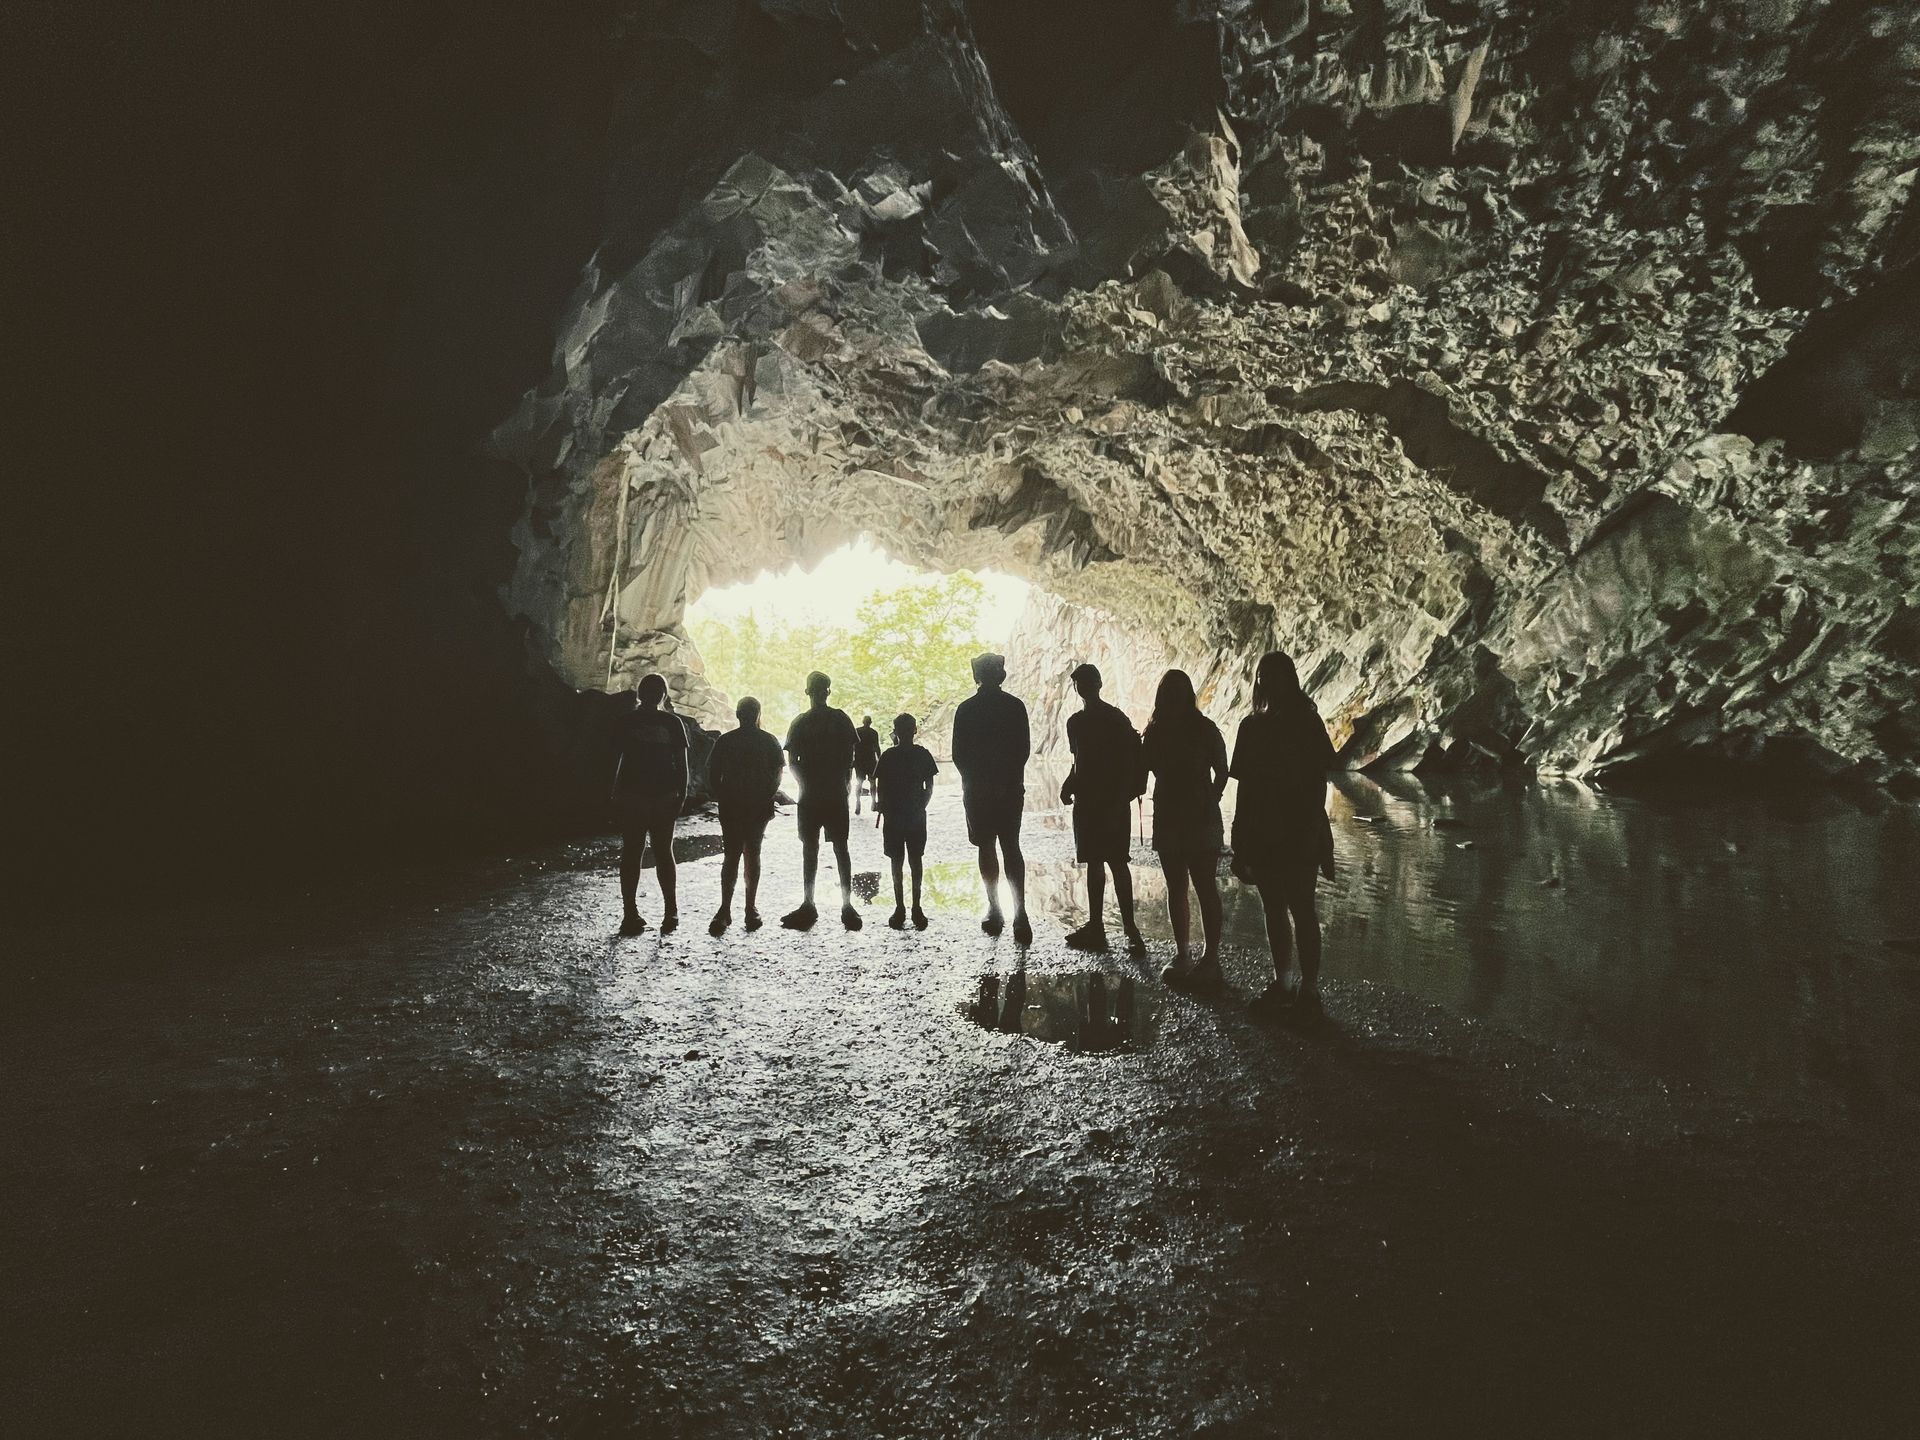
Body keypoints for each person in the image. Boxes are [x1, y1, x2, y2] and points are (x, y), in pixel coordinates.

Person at [1230, 651, 1337, 1020]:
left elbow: (1319, 780)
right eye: (1262, 676)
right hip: (1270, 830)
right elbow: (1244, 788)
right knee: (1279, 907)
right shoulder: (1255, 727)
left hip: (1292, 828)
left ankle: (1303, 988)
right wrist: (1238, 835)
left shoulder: (1303, 723)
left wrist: (1310, 826)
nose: (1266, 682)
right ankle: (1290, 984)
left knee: (1297, 908)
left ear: (1289, 680)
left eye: (1272, 676)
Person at [1141, 668, 1229, 987]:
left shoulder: (1197, 729)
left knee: (1198, 886)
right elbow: (1221, 770)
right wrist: (1212, 796)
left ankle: (1206, 958)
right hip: (1177, 815)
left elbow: (1222, 770)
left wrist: (1212, 799)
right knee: (1182, 885)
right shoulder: (1166, 730)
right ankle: (1187, 954)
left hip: (1193, 815)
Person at [1060, 662, 1146, 955]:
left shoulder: (1107, 720)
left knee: (1112, 862)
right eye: (1079, 683)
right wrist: (1068, 783)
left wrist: (1119, 798)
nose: (1082, 687)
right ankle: (1111, 928)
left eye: (1084, 682)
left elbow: (1127, 763)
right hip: (1097, 801)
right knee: (1103, 862)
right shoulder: (1094, 720)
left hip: (1107, 801)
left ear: (1096, 684)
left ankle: (1123, 928)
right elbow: (1079, 762)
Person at [950, 653, 1033, 944]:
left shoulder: (966, 710)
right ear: (1000, 675)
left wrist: (978, 783)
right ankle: (1020, 914)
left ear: (977, 677)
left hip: (978, 791)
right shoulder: (1014, 706)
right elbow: (1022, 750)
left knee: (986, 847)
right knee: (1011, 846)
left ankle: (995, 908)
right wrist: (1005, 781)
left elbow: (959, 755)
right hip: (1009, 788)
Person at [782, 670, 863, 931]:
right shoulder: (840, 720)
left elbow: (792, 761)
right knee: (840, 848)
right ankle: (846, 905)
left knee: (811, 849)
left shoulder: (800, 723)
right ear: (828, 691)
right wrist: (844, 782)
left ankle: (810, 902)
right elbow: (850, 757)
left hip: (812, 793)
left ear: (808, 692)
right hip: (833, 791)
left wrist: (804, 783)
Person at [612, 672, 689, 936]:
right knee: (663, 851)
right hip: (663, 794)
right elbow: (682, 763)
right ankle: (671, 911)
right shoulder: (672, 723)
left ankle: (630, 913)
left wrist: (614, 793)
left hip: (633, 794)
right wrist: (682, 793)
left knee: (632, 851)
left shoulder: (627, 722)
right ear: (663, 695)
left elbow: (615, 761)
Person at [705, 695, 784, 936]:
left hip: (732, 805)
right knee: (753, 854)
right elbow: (777, 773)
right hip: (757, 806)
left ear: (738, 715)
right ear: (758, 715)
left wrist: (720, 795)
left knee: (731, 856)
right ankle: (750, 909)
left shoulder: (726, 741)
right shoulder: (769, 741)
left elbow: (711, 771)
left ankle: (725, 910)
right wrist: (766, 795)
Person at [873, 713, 938, 930]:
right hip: (915, 814)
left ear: (895, 731)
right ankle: (916, 908)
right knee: (916, 860)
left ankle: (899, 907)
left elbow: (880, 785)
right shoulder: (922, 754)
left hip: (894, 815)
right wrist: (923, 805)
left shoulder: (888, 756)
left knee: (896, 861)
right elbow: (929, 785)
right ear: (914, 730)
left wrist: (883, 806)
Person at [853, 715, 882, 816]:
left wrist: (852, 759)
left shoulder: (857, 731)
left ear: (863, 721)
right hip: (870, 761)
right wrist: (880, 759)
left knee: (859, 783)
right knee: (872, 783)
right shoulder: (874, 733)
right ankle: (873, 802)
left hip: (859, 760)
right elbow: (877, 747)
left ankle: (858, 802)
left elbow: (853, 746)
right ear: (871, 722)